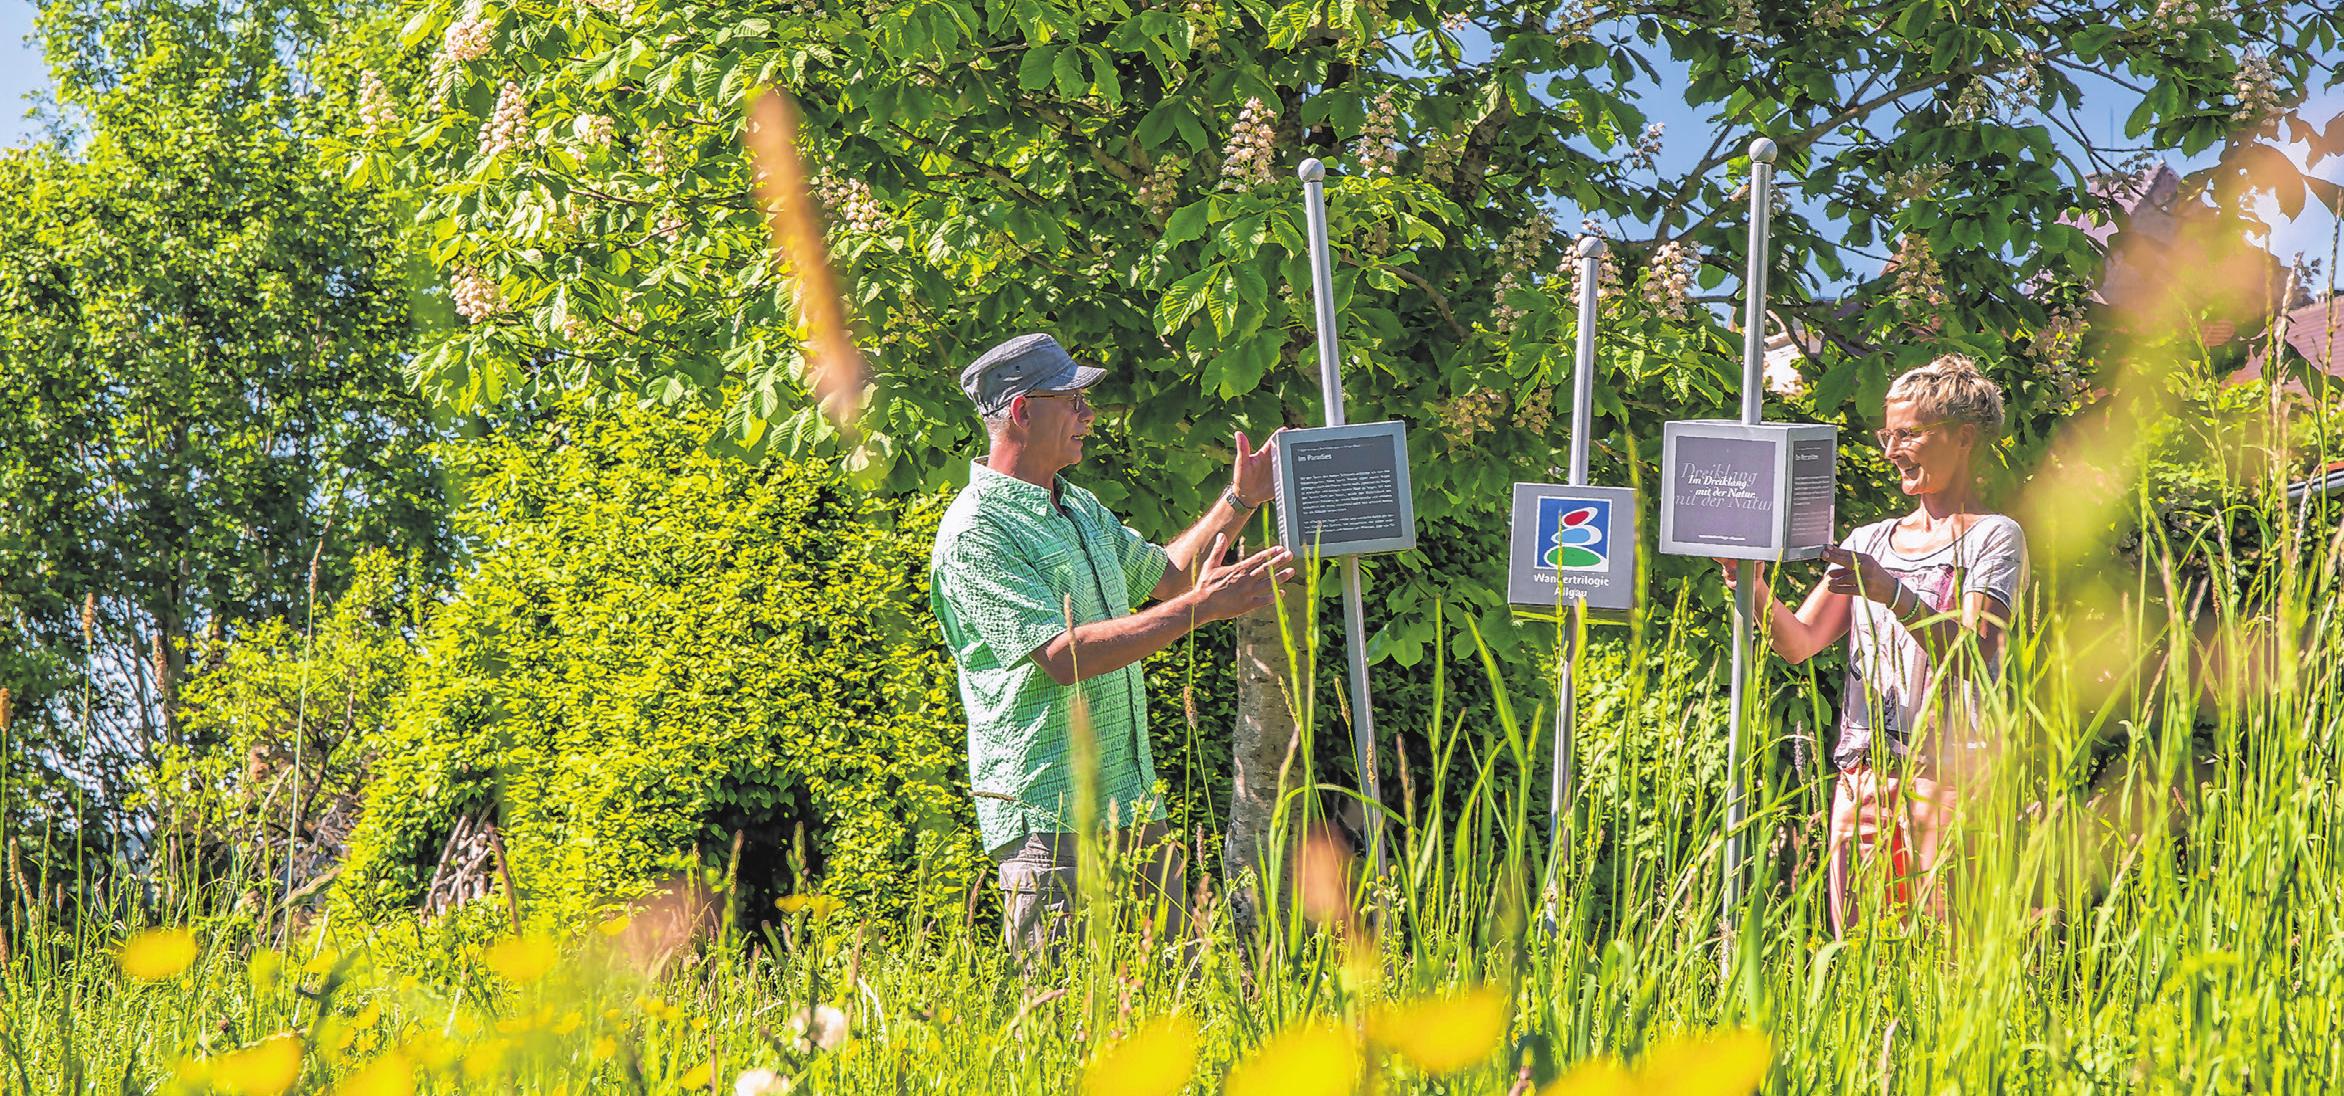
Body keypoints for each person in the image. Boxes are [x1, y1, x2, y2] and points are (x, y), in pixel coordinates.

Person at [928, 332, 1294, 958]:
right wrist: (1199, 610)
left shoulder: (1076, 505)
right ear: (1022, 411)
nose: (1088, 416)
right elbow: (1061, 655)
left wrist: (1239, 501)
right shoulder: (976, 531)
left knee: (1178, 999)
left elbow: (1167, 576)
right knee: (1060, 1016)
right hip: (1047, 816)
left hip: (1132, 806)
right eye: (1074, 401)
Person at [1722, 354, 2027, 933]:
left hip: (1948, 774)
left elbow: (1973, 653)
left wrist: (1892, 592)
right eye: (1887, 436)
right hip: (1862, 773)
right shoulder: (1872, 540)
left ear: (1964, 437)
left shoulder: (1995, 536)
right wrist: (1753, 586)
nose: (1891, 452)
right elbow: (1801, 642)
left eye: (1908, 435)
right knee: (1862, 945)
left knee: (1945, 953)